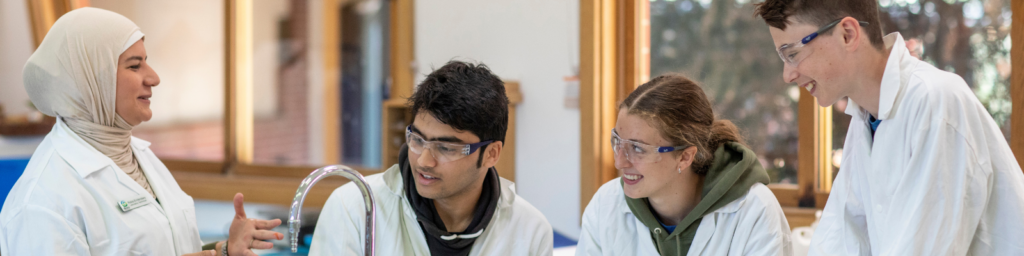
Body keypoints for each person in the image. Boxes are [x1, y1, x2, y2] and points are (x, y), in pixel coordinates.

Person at [0, 7, 281, 256]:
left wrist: (223, 252)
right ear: (91, 81)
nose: (154, 78)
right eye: (135, 65)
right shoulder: (42, 204)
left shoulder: (137, 155)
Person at [754, 0, 1024, 254]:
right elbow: (839, 239)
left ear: (847, 34)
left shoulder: (936, 103)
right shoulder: (865, 120)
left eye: (792, 54)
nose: (788, 75)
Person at [310, 61, 553, 255]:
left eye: (446, 148)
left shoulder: (529, 231)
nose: (424, 161)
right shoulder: (355, 208)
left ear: (491, 154)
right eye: (417, 139)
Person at [576, 74, 792, 255]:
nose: (619, 161)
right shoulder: (606, 205)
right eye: (618, 142)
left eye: (638, 148)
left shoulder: (754, 210)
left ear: (685, 157)